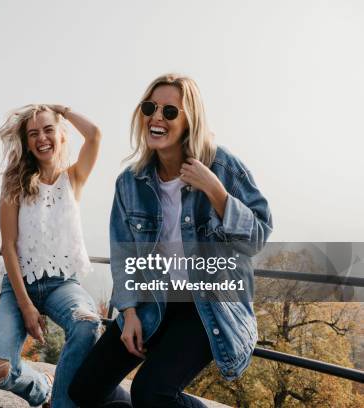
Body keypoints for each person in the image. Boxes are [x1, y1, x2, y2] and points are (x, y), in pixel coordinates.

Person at [69, 74, 273, 407]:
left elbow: (259, 236)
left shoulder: (221, 165)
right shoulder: (130, 183)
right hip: (155, 301)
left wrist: (216, 192)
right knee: (85, 389)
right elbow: (124, 256)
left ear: (189, 121)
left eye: (170, 111)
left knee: (150, 392)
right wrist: (130, 311)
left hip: (208, 306)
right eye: (150, 107)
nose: (157, 117)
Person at [0, 104, 103, 408]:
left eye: (48, 130)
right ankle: (41, 388)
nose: (42, 138)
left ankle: (61, 404)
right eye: (33, 133)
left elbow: (94, 134)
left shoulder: (73, 178)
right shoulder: (14, 183)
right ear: (26, 142)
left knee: (88, 323)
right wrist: (25, 306)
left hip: (63, 284)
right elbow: (8, 245)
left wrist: (62, 110)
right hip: (19, 286)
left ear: (61, 135)